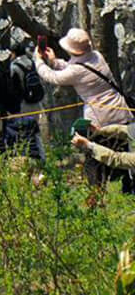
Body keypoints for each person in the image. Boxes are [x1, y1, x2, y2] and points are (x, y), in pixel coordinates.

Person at [36, 27, 133, 191]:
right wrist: (54, 62)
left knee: (95, 161)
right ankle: (127, 190)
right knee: (126, 158)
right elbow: (75, 69)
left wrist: (38, 61)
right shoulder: (97, 56)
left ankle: (96, 197)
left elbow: (54, 77)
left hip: (100, 119)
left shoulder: (77, 70)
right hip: (121, 111)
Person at [8, 41, 45, 162]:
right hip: (36, 103)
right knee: (36, 132)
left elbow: (14, 90)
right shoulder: (32, 63)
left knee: (25, 132)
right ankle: (42, 157)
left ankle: (29, 159)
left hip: (24, 105)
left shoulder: (14, 67)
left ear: (13, 53)